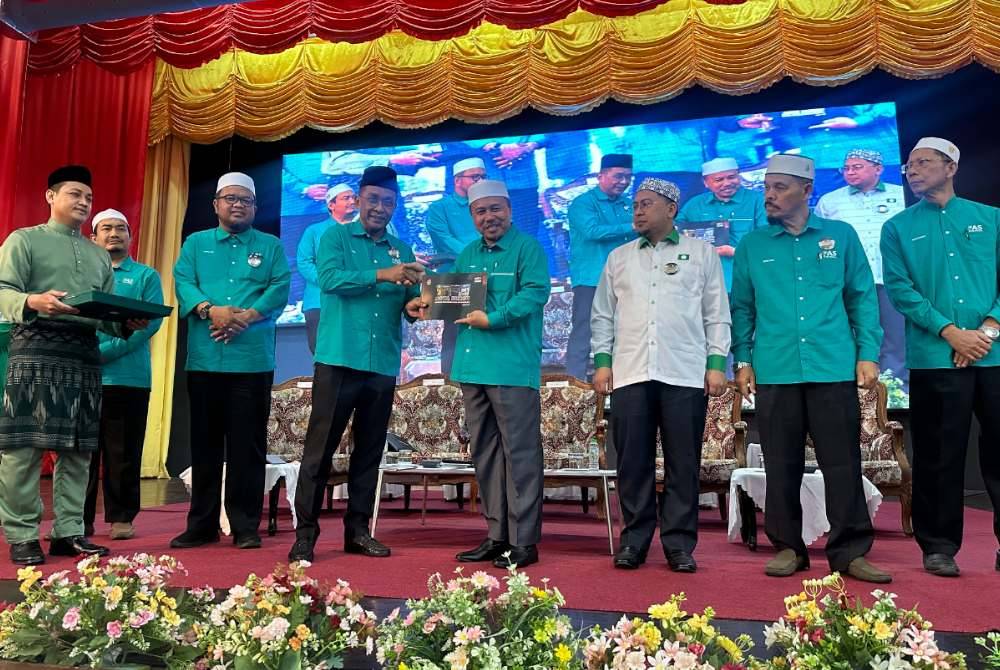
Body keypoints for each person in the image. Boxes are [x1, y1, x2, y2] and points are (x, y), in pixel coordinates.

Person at [730, 154, 891, 583]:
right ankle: (788, 547)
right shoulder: (753, 245)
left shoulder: (841, 236)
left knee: (842, 462)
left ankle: (850, 551)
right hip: (775, 368)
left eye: (780, 187)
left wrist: (868, 354)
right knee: (781, 464)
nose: (770, 195)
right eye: (766, 187)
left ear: (807, 190)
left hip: (832, 365)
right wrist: (742, 360)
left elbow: (861, 297)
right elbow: (742, 308)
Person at [0, 165, 148, 566]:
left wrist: (124, 323)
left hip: (83, 354)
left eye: (88, 197)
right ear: (51, 196)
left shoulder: (99, 255)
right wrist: (33, 301)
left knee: (79, 450)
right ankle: (22, 534)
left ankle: (68, 532)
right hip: (35, 349)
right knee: (24, 448)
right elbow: (3, 290)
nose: (83, 202)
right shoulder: (24, 240)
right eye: (74, 194)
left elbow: (104, 313)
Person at [591, 177, 730, 572]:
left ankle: (679, 545)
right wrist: (603, 363)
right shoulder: (618, 257)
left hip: (684, 371)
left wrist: (716, 364)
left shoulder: (701, 254)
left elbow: (716, 312)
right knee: (632, 462)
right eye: (635, 204)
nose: (637, 211)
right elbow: (602, 314)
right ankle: (634, 540)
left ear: (671, 209)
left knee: (682, 462)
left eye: (646, 204)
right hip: (631, 371)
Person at [289, 166, 426, 563]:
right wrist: (385, 274)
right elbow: (331, 279)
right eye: (372, 200)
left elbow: (410, 299)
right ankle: (305, 536)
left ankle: (358, 531)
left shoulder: (403, 249)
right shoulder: (334, 236)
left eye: (387, 202)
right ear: (359, 201)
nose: (380, 208)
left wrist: (415, 306)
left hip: (382, 361)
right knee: (320, 451)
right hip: (338, 358)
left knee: (369, 452)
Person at [880, 137, 1000, 577]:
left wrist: (985, 332)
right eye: (909, 165)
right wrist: (952, 333)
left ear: (950, 167)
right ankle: (939, 546)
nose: (912, 171)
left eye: (923, 163)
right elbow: (899, 290)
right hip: (934, 356)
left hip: (994, 354)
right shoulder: (896, 228)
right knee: (937, 454)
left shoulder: (991, 219)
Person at [171, 171, 291, 550]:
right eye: (230, 198)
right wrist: (212, 310)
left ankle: (245, 525)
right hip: (205, 360)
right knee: (205, 446)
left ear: (255, 207)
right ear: (216, 205)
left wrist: (244, 318)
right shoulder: (196, 243)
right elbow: (183, 281)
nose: (237, 205)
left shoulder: (270, 245)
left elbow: (280, 287)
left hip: (252, 360)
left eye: (245, 200)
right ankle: (201, 524)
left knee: (247, 447)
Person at [449, 179, 551, 568]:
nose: (489, 217)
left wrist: (493, 318)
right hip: (471, 366)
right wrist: (425, 304)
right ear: (472, 216)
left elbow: (535, 293)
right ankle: (496, 536)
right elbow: (452, 298)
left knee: (520, 454)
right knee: (486, 455)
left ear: (509, 210)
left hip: (511, 365)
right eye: (481, 211)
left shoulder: (528, 249)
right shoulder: (467, 253)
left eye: (496, 209)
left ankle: (524, 541)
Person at [83, 209, 164, 540]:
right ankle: (77, 521)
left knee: (123, 452)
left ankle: (121, 518)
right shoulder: (81, 275)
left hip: (129, 379)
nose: (114, 233)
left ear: (131, 237)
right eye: (106, 228)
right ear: (93, 238)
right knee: (80, 454)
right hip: (83, 378)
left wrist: (104, 353)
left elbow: (151, 323)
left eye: (121, 228)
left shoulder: (145, 276)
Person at [816, 149, 907, 388]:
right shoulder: (830, 201)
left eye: (857, 166)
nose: (850, 172)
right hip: (848, 282)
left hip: (890, 278)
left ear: (878, 168)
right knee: (851, 334)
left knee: (894, 336)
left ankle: (894, 388)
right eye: (846, 168)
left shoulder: (901, 195)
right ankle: (854, 386)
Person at [565, 153, 635, 381]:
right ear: (600, 176)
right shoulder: (583, 203)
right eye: (618, 176)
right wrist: (635, 225)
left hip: (626, 278)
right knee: (584, 331)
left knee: (625, 331)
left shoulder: (629, 204)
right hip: (591, 278)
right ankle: (575, 384)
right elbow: (592, 231)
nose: (623, 182)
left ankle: (620, 379)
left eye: (628, 177)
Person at [425, 157, 487, 375]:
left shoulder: (487, 206)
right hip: (453, 276)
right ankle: (450, 382)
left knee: (486, 330)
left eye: (483, 176)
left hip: (488, 275)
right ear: (458, 180)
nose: (480, 181)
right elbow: (442, 238)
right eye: (475, 177)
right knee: (454, 331)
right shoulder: (439, 207)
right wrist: (479, 255)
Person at [675, 157, 767, 294]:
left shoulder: (758, 201)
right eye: (719, 180)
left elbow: (768, 240)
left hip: (747, 282)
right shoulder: (695, 204)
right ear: (706, 183)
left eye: (731, 177)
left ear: (739, 176)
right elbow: (674, 232)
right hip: (704, 285)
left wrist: (736, 252)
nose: (727, 183)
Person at [297, 184, 358, 354]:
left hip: (354, 301)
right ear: (331, 205)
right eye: (346, 198)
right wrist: (329, 280)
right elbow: (304, 262)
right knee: (322, 353)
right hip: (319, 300)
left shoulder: (362, 231)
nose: (352, 201)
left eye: (354, 197)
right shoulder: (314, 231)